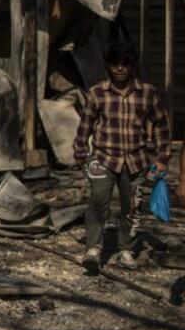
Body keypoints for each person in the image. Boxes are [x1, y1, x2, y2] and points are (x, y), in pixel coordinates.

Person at [72, 41, 171, 270]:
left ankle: (125, 250)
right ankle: (93, 249)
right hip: (102, 158)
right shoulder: (97, 93)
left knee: (131, 207)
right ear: (109, 66)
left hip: (136, 160)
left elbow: (161, 125)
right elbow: (85, 125)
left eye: (124, 64)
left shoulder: (147, 93)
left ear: (132, 66)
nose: (119, 69)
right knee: (98, 202)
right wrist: (80, 152)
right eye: (115, 64)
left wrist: (163, 156)